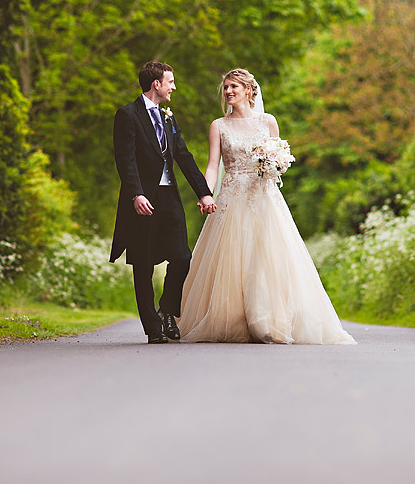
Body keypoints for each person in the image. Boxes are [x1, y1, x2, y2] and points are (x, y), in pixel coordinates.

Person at [178, 68, 356, 344]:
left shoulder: (268, 121)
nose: (228, 92)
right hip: (232, 197)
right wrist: (206, 194)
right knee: (232, 260)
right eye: (225, 87)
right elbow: (213, 165)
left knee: (267, 258)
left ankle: (267, 320)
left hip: (265, 197)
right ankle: (233, 320)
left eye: (234, 86)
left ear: (249, 90)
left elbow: (279, 158)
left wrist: (274, 165)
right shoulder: (219, 126)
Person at [110, 61, 217, 344]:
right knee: (143, 265)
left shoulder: (168, 117)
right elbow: (126, 159)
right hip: (142, 201)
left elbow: (184, 156)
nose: (174, 87)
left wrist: (203, 192)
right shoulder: (127, 115)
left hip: (169, 199)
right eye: (170, 82)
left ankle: (168, 311)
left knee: (182, 257)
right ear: (156, 84)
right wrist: (136, 194)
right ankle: (153, 328)